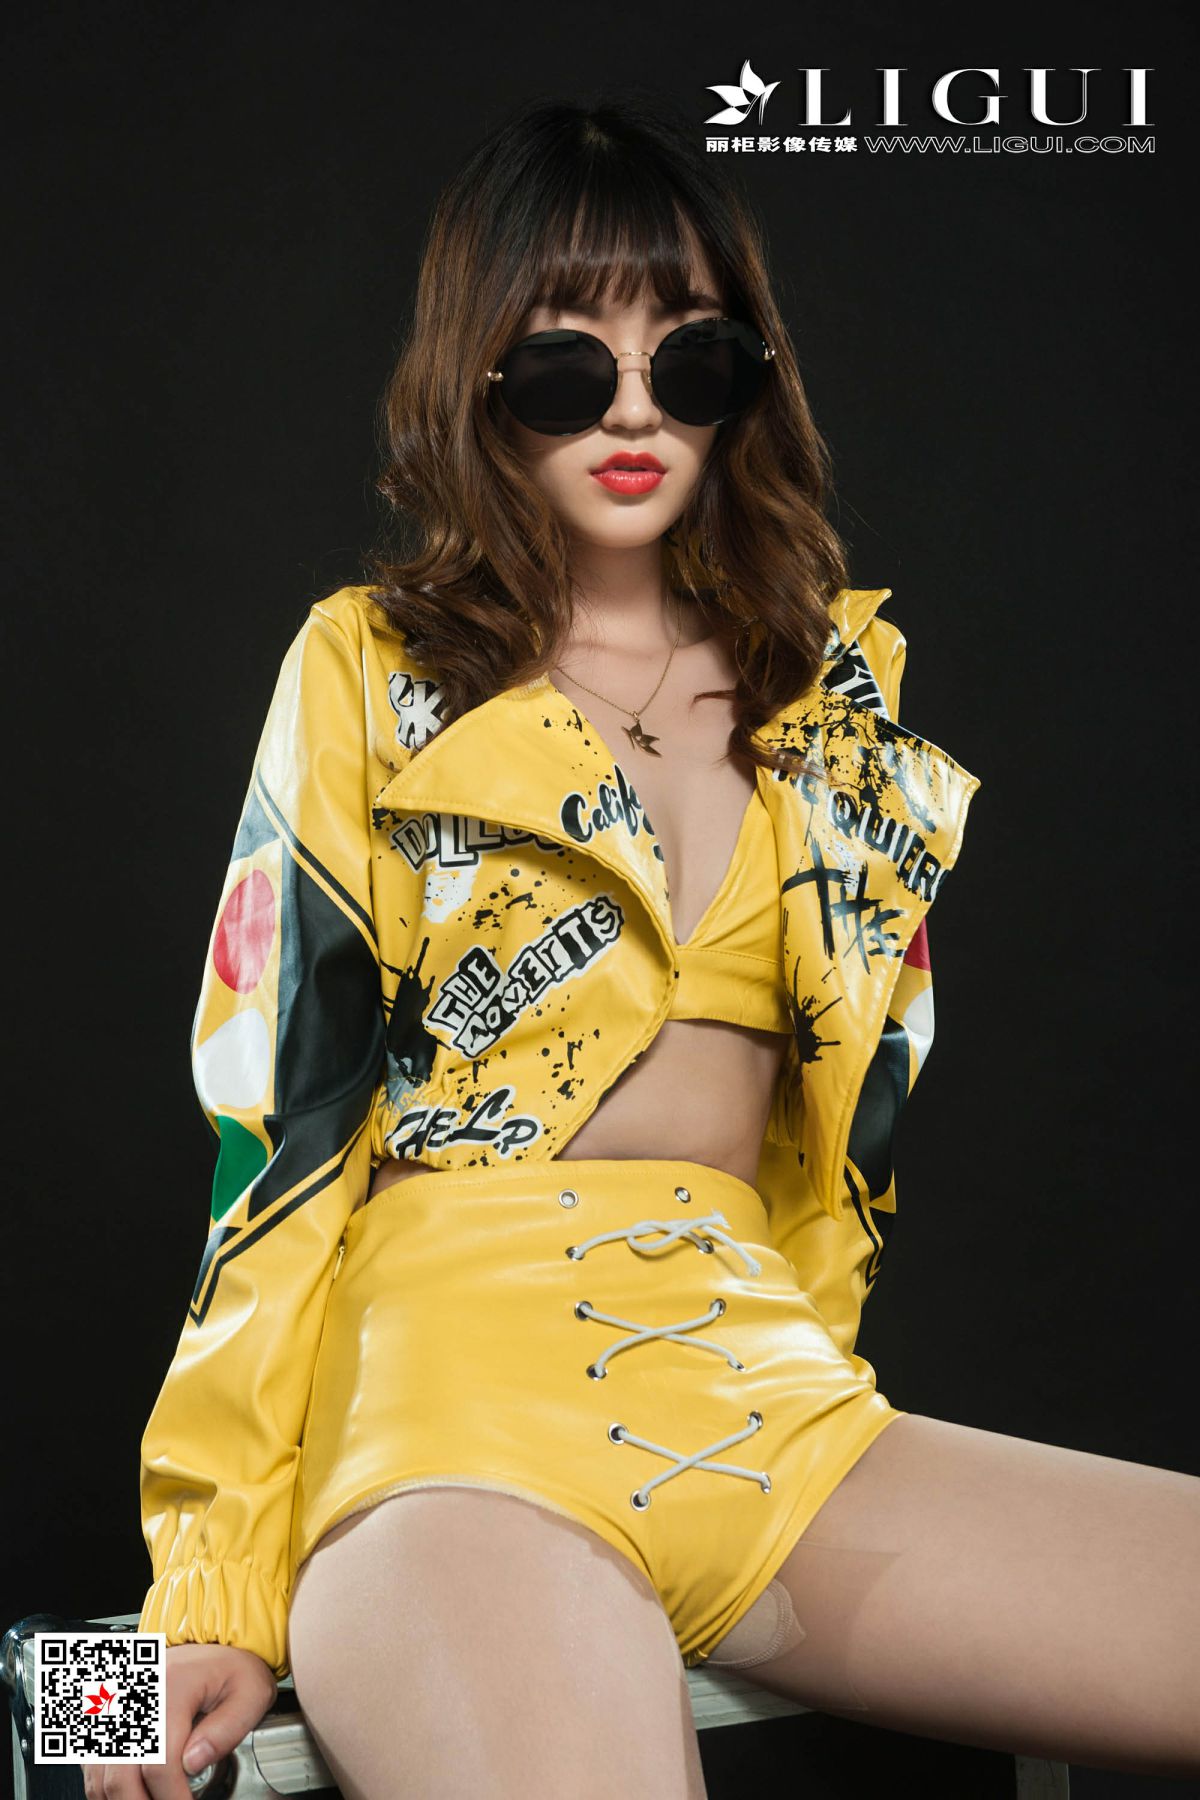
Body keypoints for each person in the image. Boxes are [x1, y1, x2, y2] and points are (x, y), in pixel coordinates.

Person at [105, 95, 1199, 1800]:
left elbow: (843, 1149)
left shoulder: (832, 702)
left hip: (771, 1402)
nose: (633, 409)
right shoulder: (369, 668)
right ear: (479, 379)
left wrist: (809, 1375)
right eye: (566, 363)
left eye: (688, 359)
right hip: (457, 1426)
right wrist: (206, 1591)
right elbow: (279, 1138)